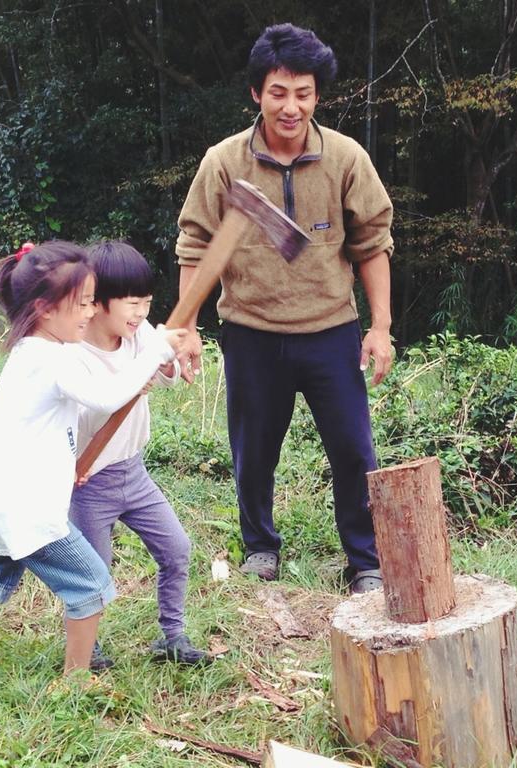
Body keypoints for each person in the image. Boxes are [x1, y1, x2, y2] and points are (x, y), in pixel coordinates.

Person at [175, 23, 394, 593]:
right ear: (257, 93)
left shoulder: (346, 157)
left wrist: (382, 327)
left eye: (303, 92)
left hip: (331, 331)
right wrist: (189, 327)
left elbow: (372, 243)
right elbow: (196, 245)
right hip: (251, 332)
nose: (291, 106)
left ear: (317, 94)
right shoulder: (224, 163)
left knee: (353, 449)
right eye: (278, 92)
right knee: (253, 452)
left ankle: (365, 561)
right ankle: (260, 548)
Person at [0, 240, 184, 682]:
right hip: (27, 508)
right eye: (84, 304)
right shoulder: (52, 361)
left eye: (93, 302)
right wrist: (155, 352)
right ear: (45, 309)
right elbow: (108, 396)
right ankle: (75, 680)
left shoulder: (32, 353)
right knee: (90, 584)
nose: (91, 313)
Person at [70, 241, 209, 670]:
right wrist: (140, 372)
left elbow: (164, 374)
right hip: (90, 482)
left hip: (135, 474)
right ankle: (85, 650)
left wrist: (168, 361)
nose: (140, 314)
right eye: (132, 304)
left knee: (176, 549)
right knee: (93, 573)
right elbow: (97, 402)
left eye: (147, 304)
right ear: (98, 303)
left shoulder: (139, 335)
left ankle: (172, 635)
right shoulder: (74, 352)